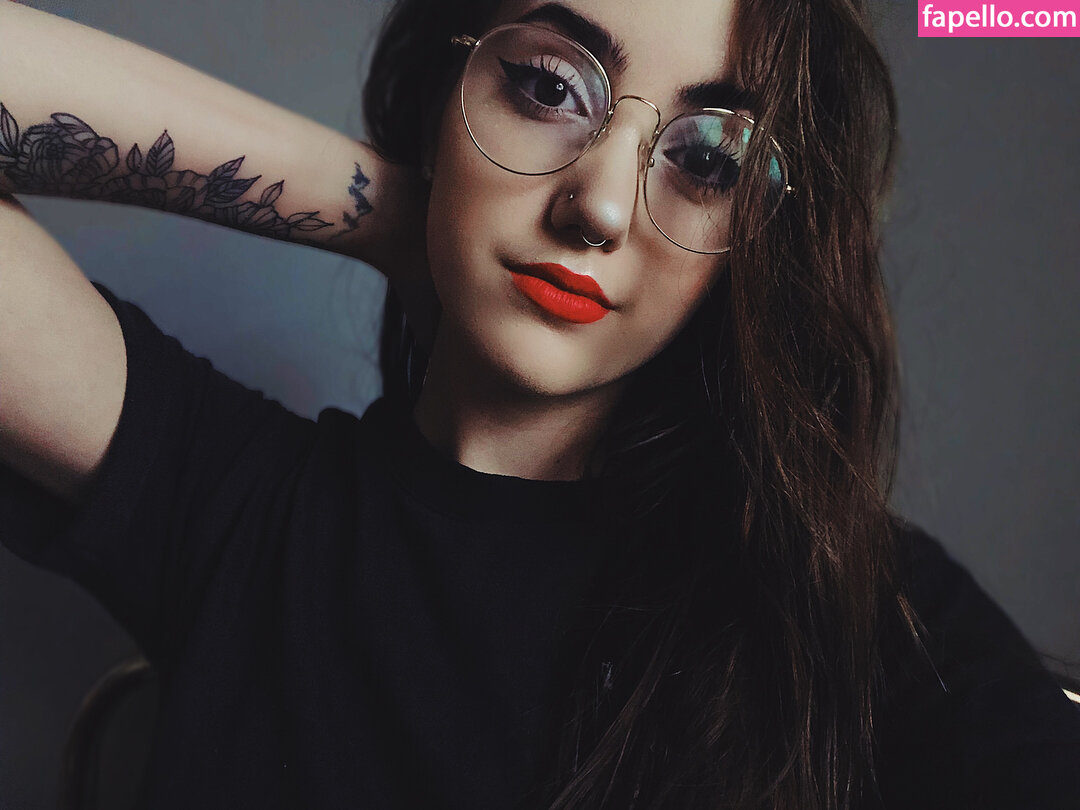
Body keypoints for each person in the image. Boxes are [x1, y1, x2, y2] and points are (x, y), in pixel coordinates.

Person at [0, 0, 1078, 808]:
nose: (601, 206)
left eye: (709, 160)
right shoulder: (241, 505)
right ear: (446, 90)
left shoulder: (851, 607)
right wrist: (398, 208)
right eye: (549, 89)